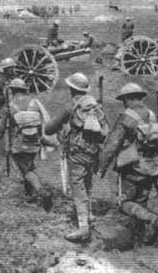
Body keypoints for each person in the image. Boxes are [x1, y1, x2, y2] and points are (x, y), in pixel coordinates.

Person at [96, 83, 158, 245]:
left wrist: (102, 167)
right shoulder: (152, 116)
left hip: (133, 167)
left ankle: (152, 219)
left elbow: (112, 145)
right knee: (141, 201)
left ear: (127, 99)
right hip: (152, 166)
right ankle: (141, 238)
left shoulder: (126, 117)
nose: (124, 103)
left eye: (124, 99)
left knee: (124, 203)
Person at [45, 72, 109, 242]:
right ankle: (89, 214)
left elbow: (49, 129)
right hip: (93, 152)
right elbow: (105, 131)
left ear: (71, 88)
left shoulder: (71, 107)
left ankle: (83, 228)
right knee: (87, 183)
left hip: (77, 152)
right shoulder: (95, 106)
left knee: (77, 187)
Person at [7, 78, 53, 211]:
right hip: (34, 141)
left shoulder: (11, 106)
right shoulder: (34, 102)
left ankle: (42, 192)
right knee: (28, 166)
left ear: (13, 90)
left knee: (26, 170)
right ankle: (29, 195)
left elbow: (2, 127)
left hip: (20, 143)